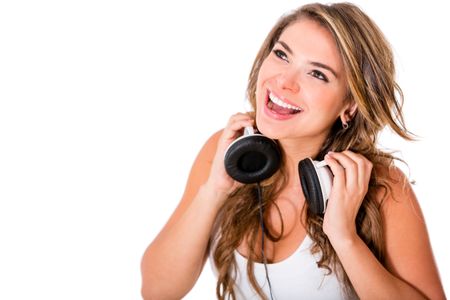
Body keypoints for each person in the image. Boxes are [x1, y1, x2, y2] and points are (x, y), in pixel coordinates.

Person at [140, 2, 446, 299]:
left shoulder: (382, 188)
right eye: (282, 54)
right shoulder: (227, 151)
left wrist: (345, 238)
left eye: (317, 74)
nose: (284, 81)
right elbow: (157, 291)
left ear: (349, 106)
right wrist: (214, 190)